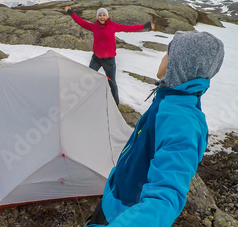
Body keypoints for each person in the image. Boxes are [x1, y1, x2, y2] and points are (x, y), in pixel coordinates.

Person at [85, 30, 225, 226]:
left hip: (125, 214)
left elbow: (163, 201)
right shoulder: (170, 100)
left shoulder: (182, 122)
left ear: (181, 64)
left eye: (169, 53)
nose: (163, 57)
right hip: (115, 199)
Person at [65, 6, 155, 105]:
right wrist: (70, 12)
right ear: (97, 17)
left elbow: (128, 28)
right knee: (88, 78)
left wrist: (145, 26)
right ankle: (86, 101)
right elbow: (81, 22)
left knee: (112, 84)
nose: (102, 17)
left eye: (104, 15)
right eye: (100, 15)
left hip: (109, 61)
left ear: (107, 17)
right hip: (96, 59)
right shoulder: (94, 26)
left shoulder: (113, 25)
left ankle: (115, 105)